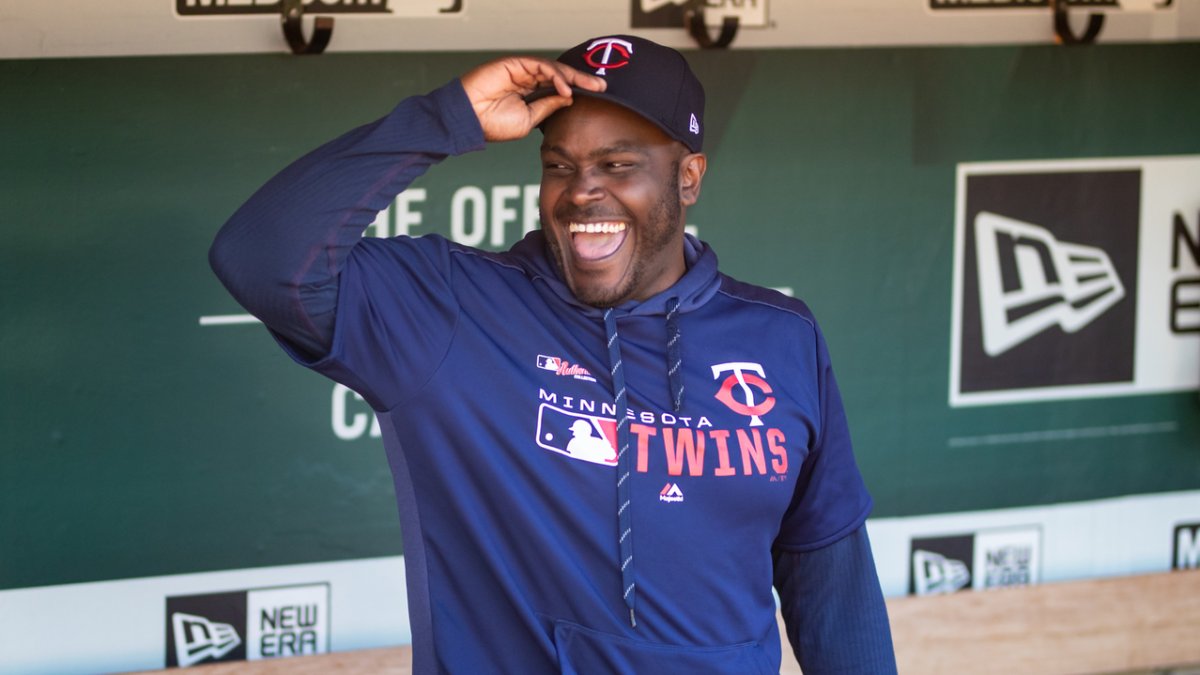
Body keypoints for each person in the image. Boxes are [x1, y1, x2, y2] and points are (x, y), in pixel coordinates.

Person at [211, 34, 896, 674]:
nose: (582, 193)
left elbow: (829, 577)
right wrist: (446, 119)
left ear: (689, 177)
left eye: (618, 165)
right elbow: (261, 258)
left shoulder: (780, 335)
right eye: (559, 166)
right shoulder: (454, 310)